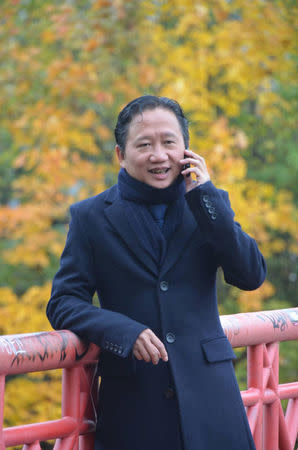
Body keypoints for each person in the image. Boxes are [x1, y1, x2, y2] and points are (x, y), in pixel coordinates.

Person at [46, 95, 266, 450]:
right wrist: (121, 331)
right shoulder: (91, 217)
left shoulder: (209, 205)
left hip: (213, 401)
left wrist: (207, 198)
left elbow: (250, 275)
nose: (158, 155)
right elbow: (63, 302)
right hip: (135, 405)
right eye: (144, 144)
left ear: (187, 150)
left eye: (169, 143)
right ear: (121, 154)